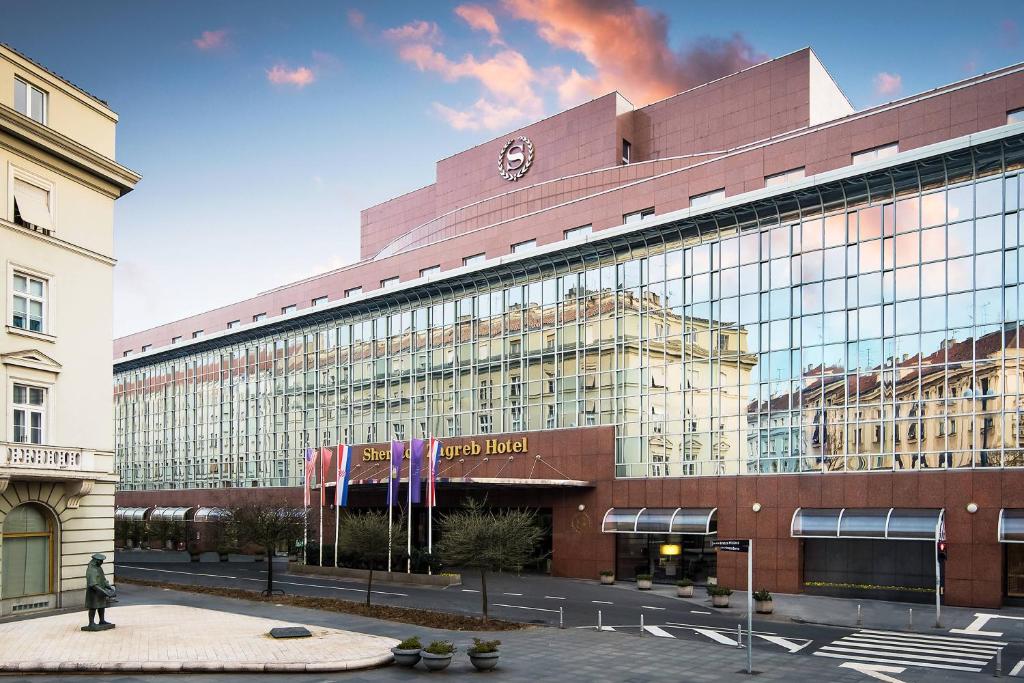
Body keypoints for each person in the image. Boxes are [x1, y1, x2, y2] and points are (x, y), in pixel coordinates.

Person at [83, 553, 116, 630]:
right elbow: (93, 584)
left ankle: (102, 620)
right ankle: (91, 623)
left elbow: (103, 580)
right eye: (101, 561)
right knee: (93, 607)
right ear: (96, 561)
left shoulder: (99, 568)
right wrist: (105, 592)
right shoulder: (91, 570)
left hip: (100, 590)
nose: (102, 562)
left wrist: (109, 587)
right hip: (94, 592)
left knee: (102, 606)